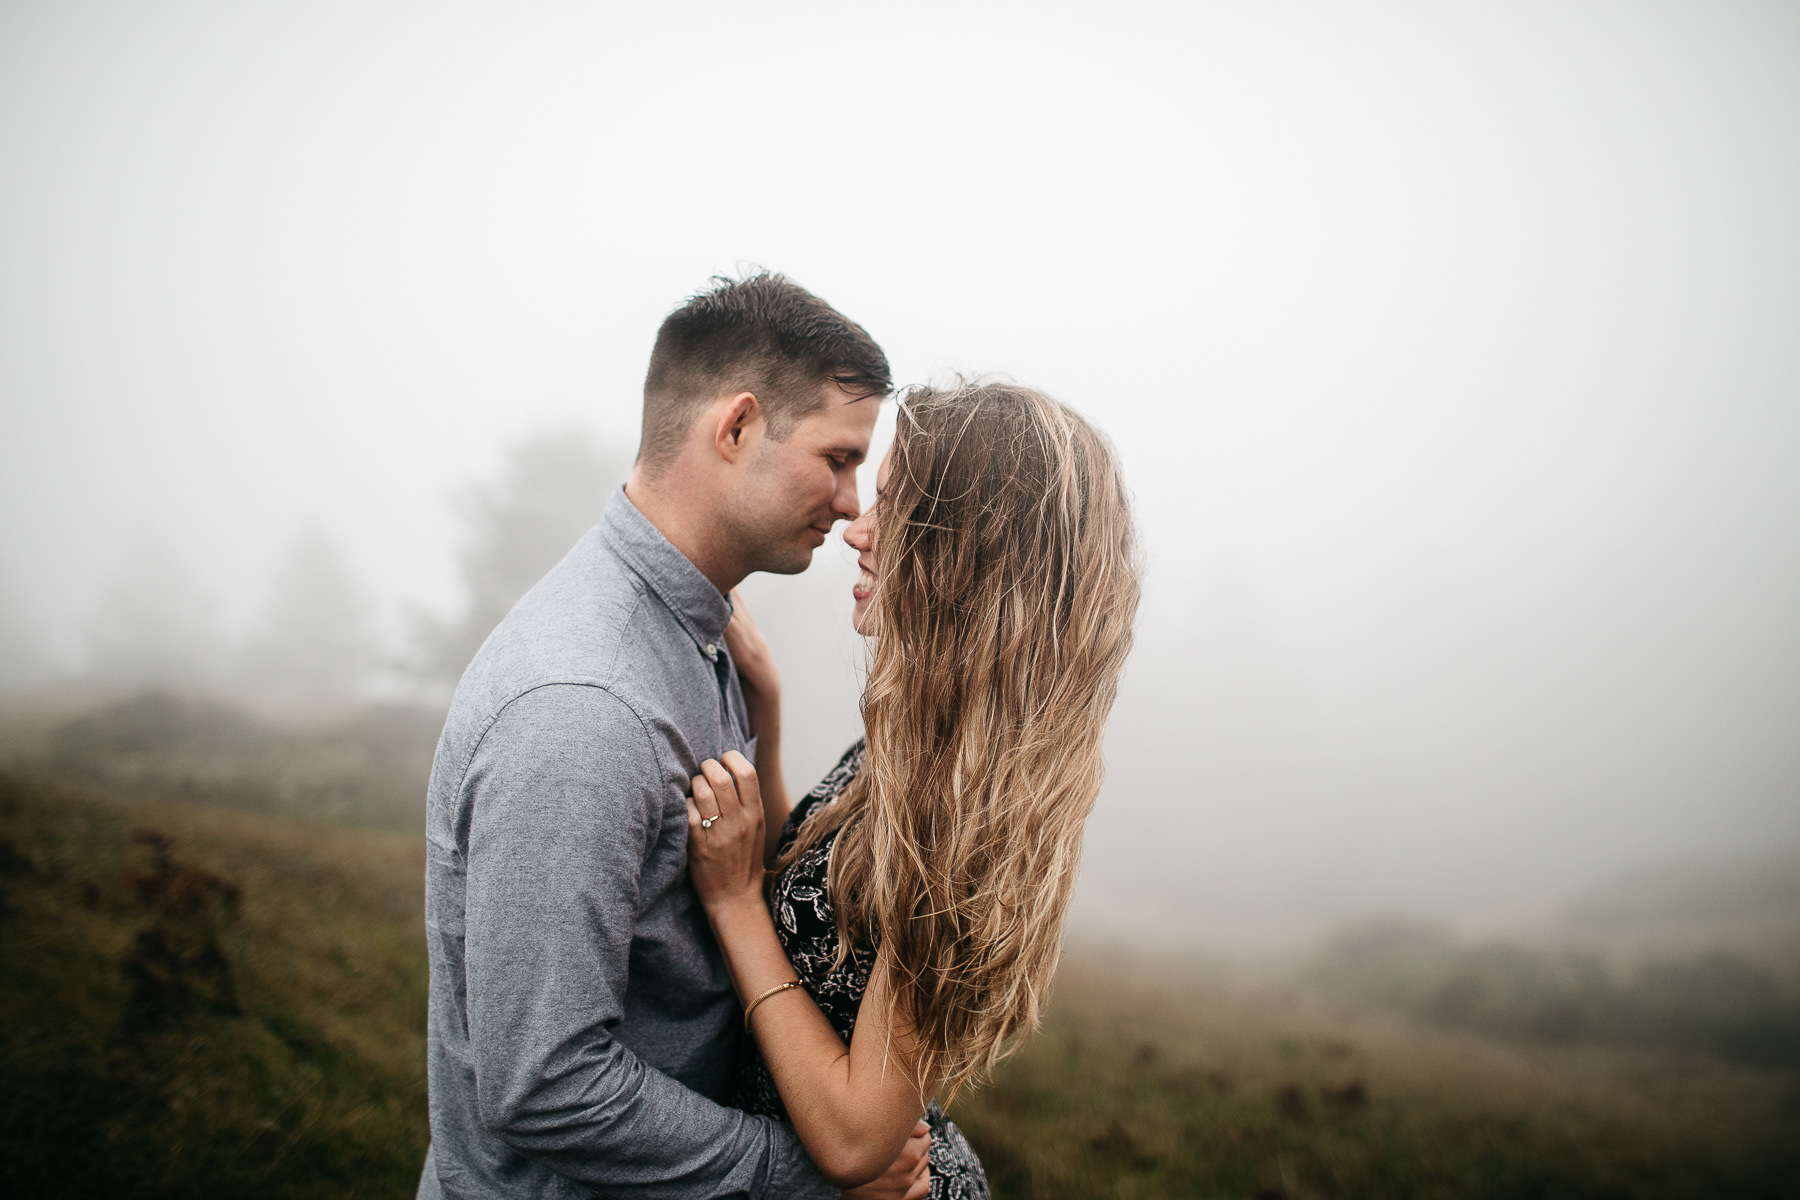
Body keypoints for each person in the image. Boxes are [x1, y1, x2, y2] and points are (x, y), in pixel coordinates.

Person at [417, 272, 932, 1199]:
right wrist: (804, 1177)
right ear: (734, 429)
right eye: (839, 458)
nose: (854, 505)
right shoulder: (579, 706)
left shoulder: (698, 632)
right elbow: (545, 1085)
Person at [682, 381, 1141, 1198]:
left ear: (964, 556)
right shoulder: (926, 736)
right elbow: (825, 905)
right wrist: (769, 713)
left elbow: (858, 1138)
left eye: (893, 509)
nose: (856, 530)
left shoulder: (975, 810)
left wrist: (732, 906)